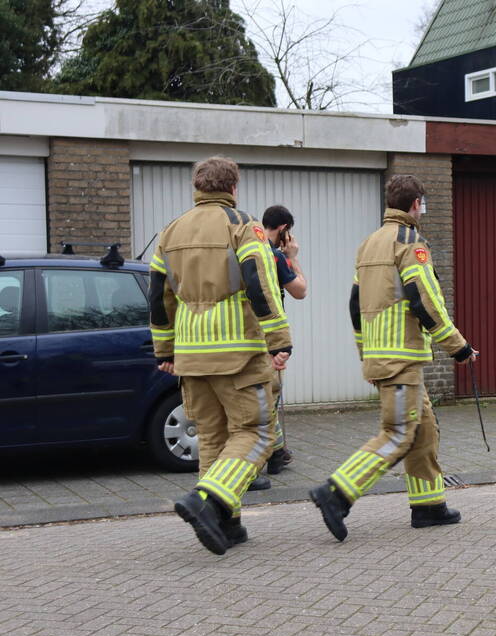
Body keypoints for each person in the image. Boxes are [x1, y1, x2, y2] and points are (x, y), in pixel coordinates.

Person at [309, 174, 477, 542]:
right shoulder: (410, 242)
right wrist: (457, 346)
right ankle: (336, 493)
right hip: (401, 356)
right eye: (423, 203)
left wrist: (364, 355)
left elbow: (355, 307)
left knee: (424, 430)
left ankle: (429, 507)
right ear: (416, 203)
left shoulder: (368, 244)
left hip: (384, 355)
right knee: (398, 433)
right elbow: (424, 298)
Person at [150, 156, 292, 555]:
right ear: (233, 187)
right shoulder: (244, 225)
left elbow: (157, 297)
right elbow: (259, 283)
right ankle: (207, 499)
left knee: (212, 437)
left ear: (197, 188)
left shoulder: (170, 232)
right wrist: (279, 339)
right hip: (239, 352)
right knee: (258, 432)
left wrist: (166, 350)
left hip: (192, 354)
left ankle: (226, 524)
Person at [260, 205, 308, 476]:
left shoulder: (245, 249)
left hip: (244, 336)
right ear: (284, 230)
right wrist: (293, 257)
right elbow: (301, 290)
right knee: (267, 399)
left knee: (266, 398)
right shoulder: (274, 256)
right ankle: (271, 455)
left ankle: (278, 452)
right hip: (269, 341)